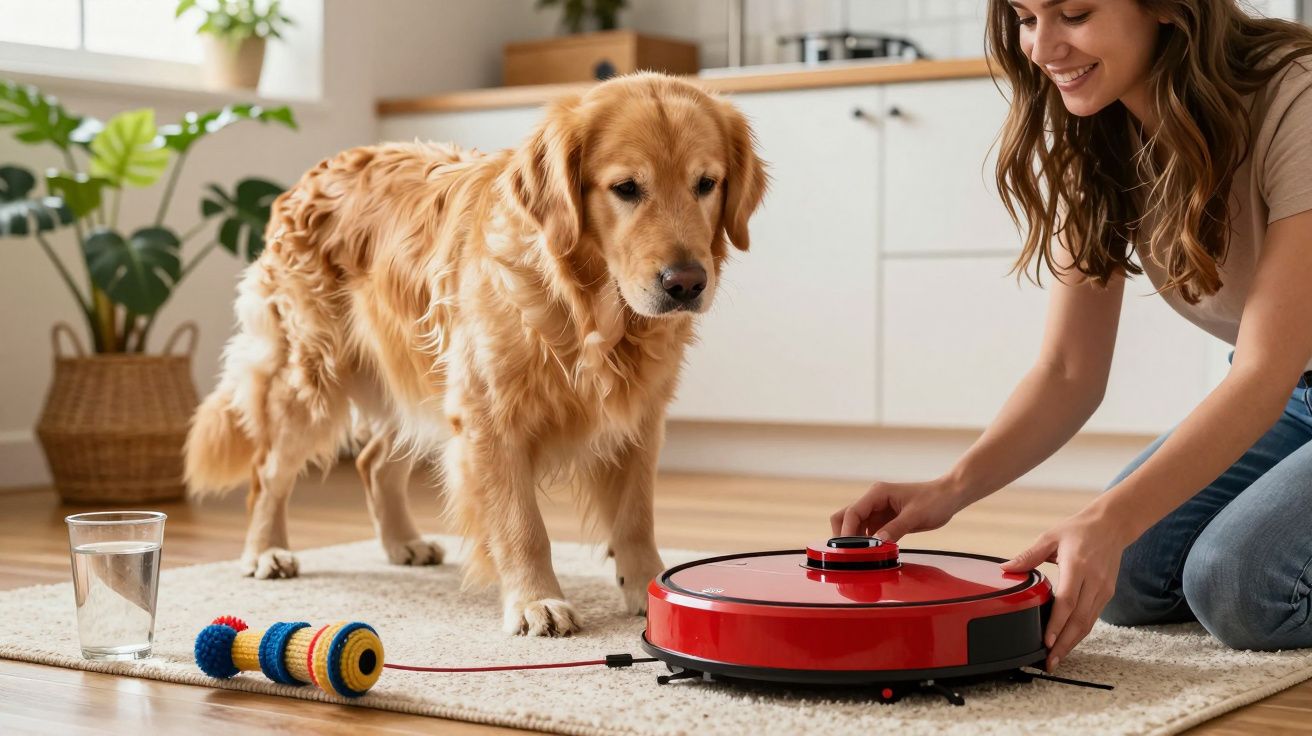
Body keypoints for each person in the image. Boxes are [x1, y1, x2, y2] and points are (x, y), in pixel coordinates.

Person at [832, 0, 1312, 672]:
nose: (1043, 45)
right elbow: (1068, 370)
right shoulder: (1100, 130)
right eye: (1027, 18)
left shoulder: (1297, 97)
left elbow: (1265, 369)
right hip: (1298, 396)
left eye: (1075, 13)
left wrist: (1113, 517)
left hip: (1278, 380)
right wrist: (951, 486)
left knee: (1239, 586)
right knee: (1134, 578)